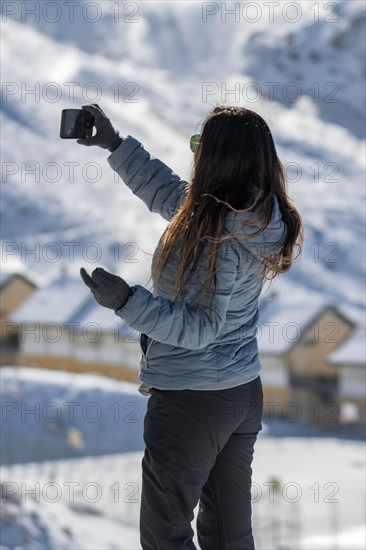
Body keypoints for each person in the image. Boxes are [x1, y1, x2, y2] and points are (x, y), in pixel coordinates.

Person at [78, 104, 303, 550]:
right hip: (239, 394)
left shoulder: (219, 236)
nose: (194, 155)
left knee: (166, 536)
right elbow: (169, 194)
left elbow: (200, 329)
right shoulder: (250, 215)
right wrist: (115, 144)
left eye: (200, 147)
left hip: (191, 400)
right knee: (229, 537)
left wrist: (126, 301)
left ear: (219, 159)